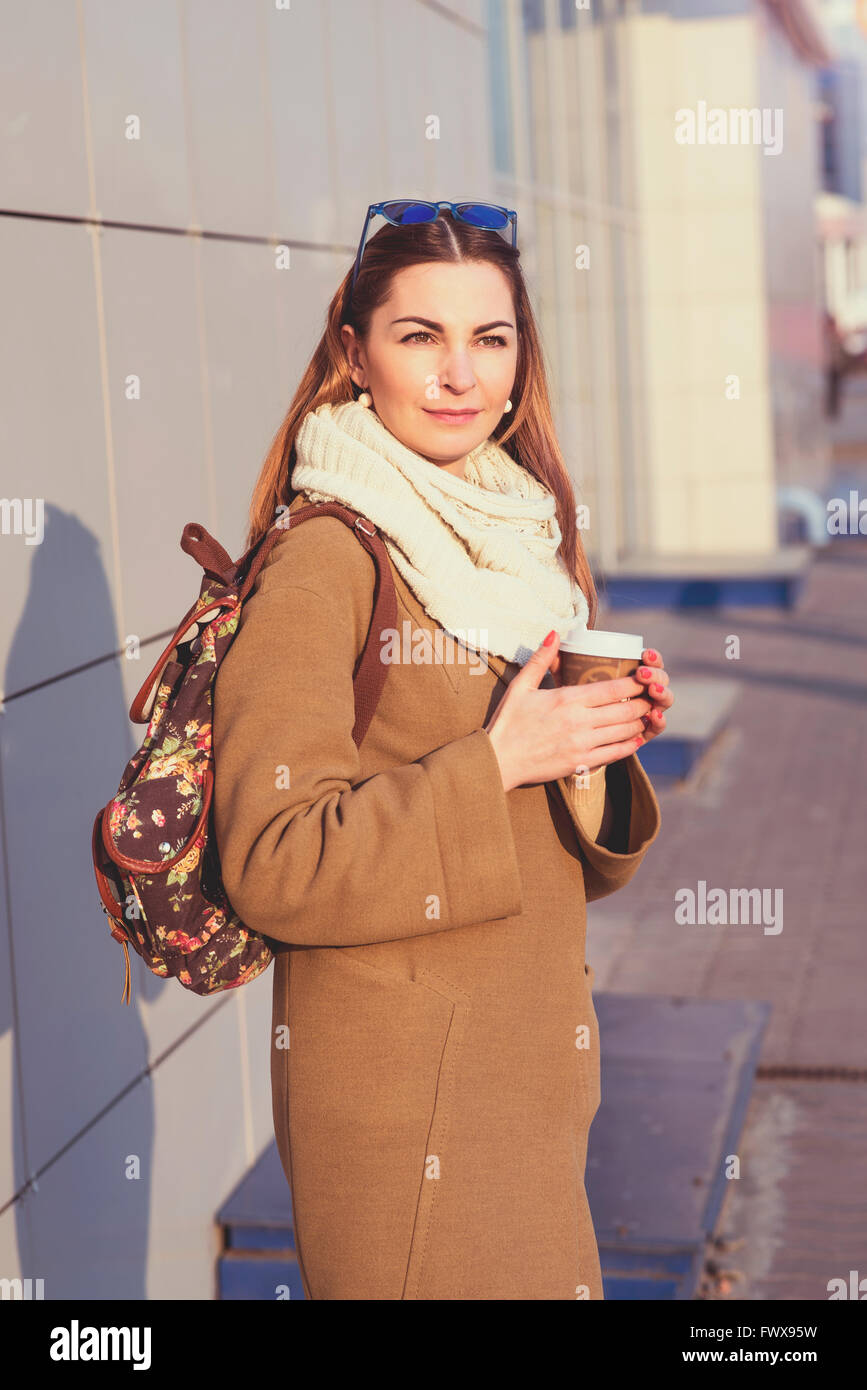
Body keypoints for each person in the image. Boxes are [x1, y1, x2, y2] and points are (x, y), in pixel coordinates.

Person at [212, 200, 671, 1300]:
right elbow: (271, 858)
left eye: (491, 338)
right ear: (354, 354)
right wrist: (500, 760)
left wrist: (592, 744)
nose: (461, 373)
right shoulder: (327, 556)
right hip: (406, 1116)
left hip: (526, 1091)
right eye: (421, 336)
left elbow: (558, 861)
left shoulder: (517, 543)